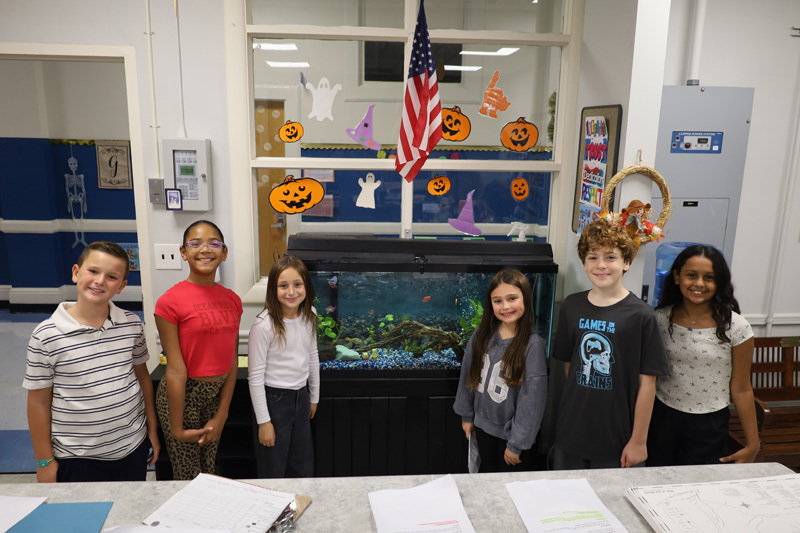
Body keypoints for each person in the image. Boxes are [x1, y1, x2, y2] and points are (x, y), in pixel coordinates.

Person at [24, 241, 159, 482]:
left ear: (121, 286)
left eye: (111, 276)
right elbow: (38, 402)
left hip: (131, 448)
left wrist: (152, 432)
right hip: (76, 457)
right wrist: (44, 460)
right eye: (93, 271)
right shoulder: (45, 335)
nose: (99, 281)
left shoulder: (131, 324)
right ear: (76, 273)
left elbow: (142, 378)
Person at [552, 218, 669, 469]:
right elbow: (569, 366)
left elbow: (647, 382)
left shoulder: (641, 315)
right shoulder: (571, 306)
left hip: (618, 438)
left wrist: (639, 441)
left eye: (611, 257)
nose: (601, 265)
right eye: (592, 257)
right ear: (584, 264)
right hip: (571, 431)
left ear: (626, 263)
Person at [647, 245, 759, 465]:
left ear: (719, 283)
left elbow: (742, 388)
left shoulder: (736, 327)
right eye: (691, 275)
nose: (699, 283)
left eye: (709, 277)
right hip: (662, 418)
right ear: (677, 277)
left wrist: (753, 445)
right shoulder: (658, 320)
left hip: (709, 424)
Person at [155, 220, 242, 480]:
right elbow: (176, 369)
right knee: (187, 475)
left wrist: (222, 414)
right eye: (195, 244)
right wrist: (177, 427)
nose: (205, 249)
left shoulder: (232, 300)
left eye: (214, 243)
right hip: (183, 395)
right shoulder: (169, 301)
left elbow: (232, 361)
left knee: (209, 468)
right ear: (183, 252)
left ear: (224, 253)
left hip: (216, 396)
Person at [453, 268, 547, 472]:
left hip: (512, 438)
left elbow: (532, 401)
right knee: (486, 478)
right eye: (498, 301)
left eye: (512, 298)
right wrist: (467, 416)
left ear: (526, 299)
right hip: (482, 429)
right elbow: (469, 376)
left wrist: (516, 444)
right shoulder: (482, 335)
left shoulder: (533, 345)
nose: (505, 306)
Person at [248, 256, 320, 478]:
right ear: (273, 289)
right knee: (274, 465)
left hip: (301, 397)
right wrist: (264, 422)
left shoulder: (311, 316)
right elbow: (256, 377)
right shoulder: (264, 326)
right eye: (283, 285)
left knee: (302, 462)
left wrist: (314, 397)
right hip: (274, 401)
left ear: (306, 286)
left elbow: (312, 356)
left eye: (297, 284)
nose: (291, 292)